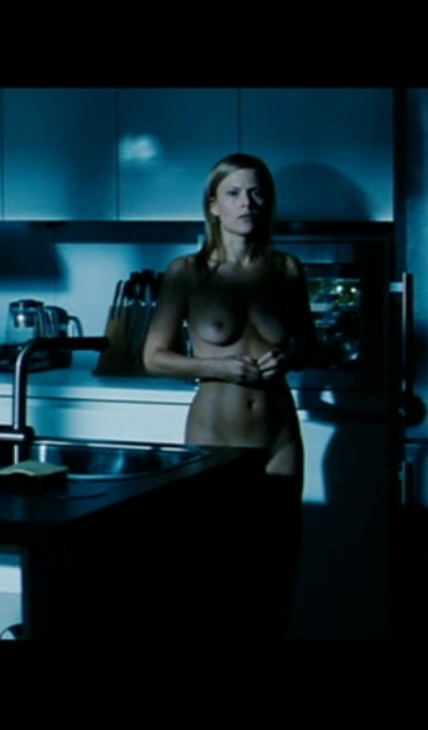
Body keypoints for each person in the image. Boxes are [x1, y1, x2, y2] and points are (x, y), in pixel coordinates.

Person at [143, 153, 318, 637]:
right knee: (215, 572)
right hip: (215, 438)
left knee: (278, 569)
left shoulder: (286, 270)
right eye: (235, 193)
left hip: (279, 436)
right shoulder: (188, 272)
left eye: (258, 193)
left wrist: (288, 356)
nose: (248, 203)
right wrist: (214, 366)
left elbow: (310, 346)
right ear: (213, 205)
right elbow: (153, 357)